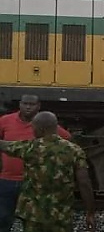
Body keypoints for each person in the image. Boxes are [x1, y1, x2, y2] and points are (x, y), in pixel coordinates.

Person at [0, 111, 95, 232]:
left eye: (33, 128)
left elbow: (4, 145)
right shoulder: (74, 150)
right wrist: (90, 212)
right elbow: (84, 183)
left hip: (33, 215)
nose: (32, 131)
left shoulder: (29, 148)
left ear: (41, 129)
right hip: (61, 215)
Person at [0, 95, 71, 232]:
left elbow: (66, 138)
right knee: (3, 218)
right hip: (6, 180)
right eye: (25, 103)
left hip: (32, 183)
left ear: (38, 106)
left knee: (31, 222)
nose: (28, 107)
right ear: (19, 104)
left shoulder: (45, 123)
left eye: (31, 104)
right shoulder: (5, 121)